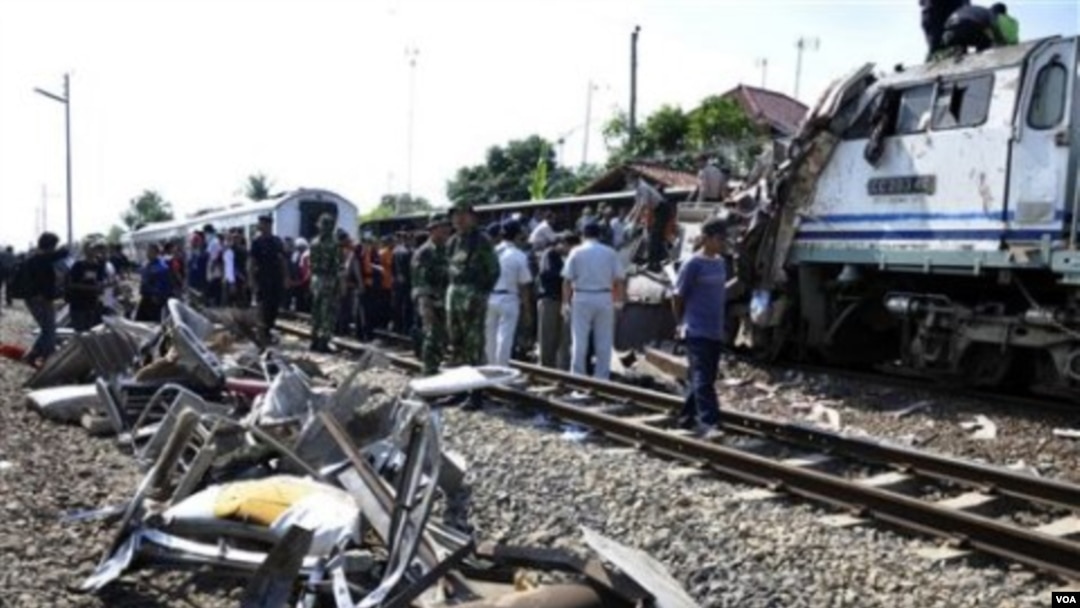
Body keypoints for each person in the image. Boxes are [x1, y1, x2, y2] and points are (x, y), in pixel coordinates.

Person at [672, 217, 730, 439]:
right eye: (720, 239)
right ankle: (709, 423)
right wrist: (680, 323)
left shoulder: (720, 262)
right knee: (703, 379)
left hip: (714, 329)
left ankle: (685, 419)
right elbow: (677, 296)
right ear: (707, 239)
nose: (723, 243)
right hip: (696, 329)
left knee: (705, 377)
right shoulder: (692, 264)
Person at [446, 200, 500, 409]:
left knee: (474, 346)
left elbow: (493, 271)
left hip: (473, 297)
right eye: (455, 215)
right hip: (454, 295)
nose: (458, 219)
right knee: (456, 345)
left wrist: (480, 294)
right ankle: (459, 391)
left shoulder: (481, 241)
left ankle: (476, 394)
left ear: (472, 217)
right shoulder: (453, 242)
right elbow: (449, 269)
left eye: (462, 214)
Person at [561, 221, 626, 380]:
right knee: (604, 340)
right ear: (599, 235)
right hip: (604, 297)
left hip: (581, 296)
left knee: (579, 340)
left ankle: (577, 376)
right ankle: (601, 377)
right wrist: (619, 300)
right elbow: (619, 279)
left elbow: (567, 280)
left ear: (583, 235)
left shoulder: (576, 251)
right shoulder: (610, 252)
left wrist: (565, 303)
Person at [485, 220, 533, 367]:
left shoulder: (492, 251)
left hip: (490, 297)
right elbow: (524, 284)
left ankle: (490, 366)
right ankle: (501, 368)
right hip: (509, 298)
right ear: (518, 235)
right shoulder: (519, 255)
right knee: (505, 337)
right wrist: (527, 309)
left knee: (490, 336)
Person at [411, 213, 451, 376]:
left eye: (448, 227)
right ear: (433, 230)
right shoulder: (425, 252)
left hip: (446, 301)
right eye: (443, 227)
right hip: (430, 302)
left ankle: (435, 369)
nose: (447, 230)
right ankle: (428, 372)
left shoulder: (447, 249)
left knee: (443, 338)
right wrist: (426, 307)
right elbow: (420, 283)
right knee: (432, 337)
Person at [22, 232, 69, 366]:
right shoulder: (43, 258)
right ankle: (39, 356)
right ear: (51, 246)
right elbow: (62, 253)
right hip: (41, 299)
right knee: (49, 329)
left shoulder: (33, 258)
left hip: (33, 298)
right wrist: (64, 249)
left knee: (48, 329)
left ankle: (39, 355)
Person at [249, 214, 288, 344]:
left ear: (269, 225)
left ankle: (268, 330)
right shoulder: (256, 242)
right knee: (263, 308)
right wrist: (252, 281)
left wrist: (286, 277)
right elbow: (252, 262)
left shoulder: (277, 241)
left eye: (262, 224)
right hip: (262, 279)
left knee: (274, 307)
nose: (260, 226)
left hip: (276, 280)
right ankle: (263, 334)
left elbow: (282, 260)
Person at [536, 232, 572, 369]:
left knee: (563, 338)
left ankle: (560, 368)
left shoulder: (567, 257)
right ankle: (546, 368)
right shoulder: (550, 254)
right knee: (547, 337)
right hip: (550, 299)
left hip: (562, 300)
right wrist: (567, 276)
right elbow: (548, 273)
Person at [309, 215, 341, 353]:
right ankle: (324, 342)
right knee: (328, 311)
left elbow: (311, 263)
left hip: (316, 279)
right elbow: (337, 264)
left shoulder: (314, 242)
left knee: (316, 310)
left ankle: (314, 340)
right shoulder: (333, 243)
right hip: (329, 279)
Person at [66, 240, 108, 332]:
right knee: (80, 332)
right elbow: (71, 284)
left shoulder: (99, 265)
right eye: (90, 248)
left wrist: (103, 286)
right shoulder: (78, 265)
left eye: (95, 249)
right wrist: (89, 288)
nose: (93, 251)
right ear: (85, 250)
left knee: (91, 332)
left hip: (93, 304)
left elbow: (100, 281)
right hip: (78, 304)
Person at [135, 243, 171, 322]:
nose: (147, 254)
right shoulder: (147, 265)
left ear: (155, 252)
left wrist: (157, 296)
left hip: (154, 300)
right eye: (147, 251)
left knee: (153, 323)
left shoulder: (162, 267)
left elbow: (163, 285)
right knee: (139, 321)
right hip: (145, 297)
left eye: (149, 251)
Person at [391, 232, 414, 335]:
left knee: (397, 304)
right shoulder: (409, 252)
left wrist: (396, 276)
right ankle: (406, 327)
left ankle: (397, 326)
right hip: (407, 280)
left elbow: (392, 267)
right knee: (407, 305)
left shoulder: (395, 250)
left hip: (397, 281)